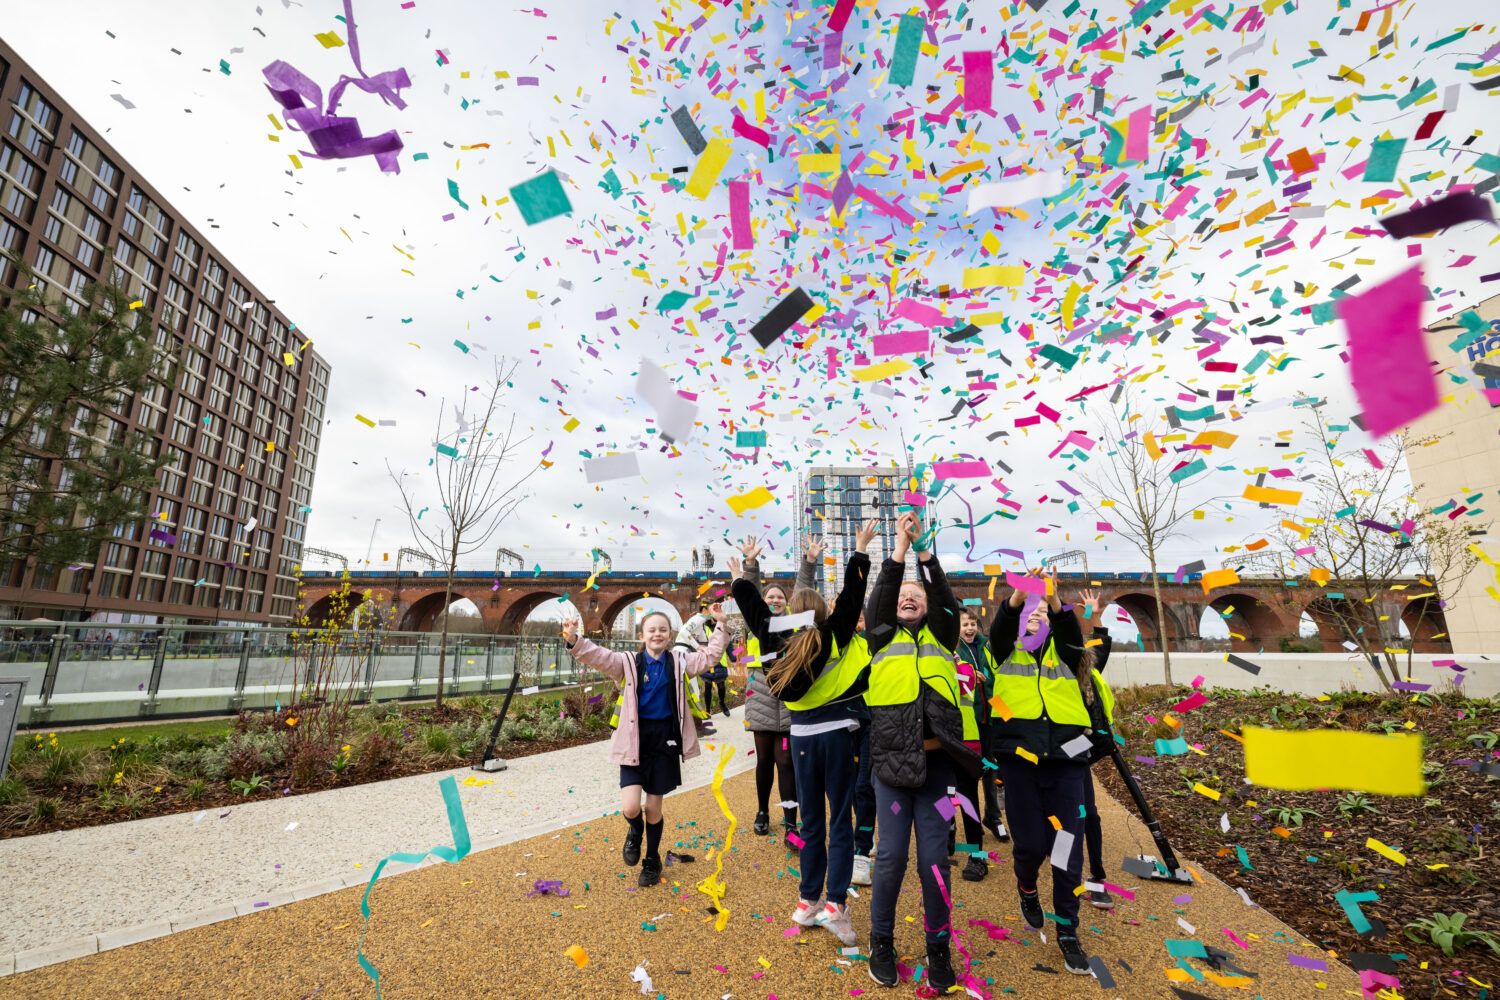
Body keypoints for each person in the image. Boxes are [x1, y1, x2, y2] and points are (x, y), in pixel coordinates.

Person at [732, 521, 875, 948]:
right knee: (841, 821)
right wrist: (860, 550)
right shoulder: (831, 635)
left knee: (811, 822)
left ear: (790, 612)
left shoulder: (773, 637)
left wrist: (745, 572)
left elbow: (752, 606)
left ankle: (807, 899)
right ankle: (835, 905)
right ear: (823, 613)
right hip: (836, 734)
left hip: (801, 737)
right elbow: (853, 597)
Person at [864, 511, 980, 993]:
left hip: (936, 768)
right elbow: (881, 599)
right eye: (904, 596)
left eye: (918, 595)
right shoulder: (880, 634)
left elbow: (948, 602)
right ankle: (881, 942)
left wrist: (925, 550)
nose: (909, 597)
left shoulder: (943, 635)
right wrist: (897, 550)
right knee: (889, 858)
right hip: (891, 768)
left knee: (935, 858)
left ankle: (938, 948)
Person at [562, 600, 729, 888]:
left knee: (653, 808)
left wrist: (722, 625)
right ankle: (634, 831)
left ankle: (651, 860)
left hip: (664, 740)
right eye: (651, 630)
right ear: (642, 636)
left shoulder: (679, 662)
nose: (657, 634)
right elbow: (598, 656)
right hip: (634, 740)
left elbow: (710, 657)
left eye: (663, 630)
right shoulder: (627, 663)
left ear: (669, 635)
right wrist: (575, 640)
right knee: (630, 808)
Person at [987, 568, 1098, 975]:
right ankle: (1026, 886)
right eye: (1028, 615)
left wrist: (1052, 598)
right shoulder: (1005, 650)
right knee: (1031, 845)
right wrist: (1019, 596)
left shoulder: (1065, 653)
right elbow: (1000, 627)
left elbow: (1071, 632)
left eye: (1043, 616)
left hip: (1066, 761)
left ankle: (1068, 930)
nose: (1036, 617)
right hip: (1018, 760)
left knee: (1067, 850)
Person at [739, 537, 814, 839]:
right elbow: (749, 594)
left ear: (787, 603)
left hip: (787, 701)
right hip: (760, 698)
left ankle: (791, 819)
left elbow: (804, 590)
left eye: (779, 598)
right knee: (764, 761)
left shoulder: (795, 624)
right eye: (769, 597)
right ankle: (761, 811)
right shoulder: (755, 622)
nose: (774, 600)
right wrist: (750, 566)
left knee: (786, 760)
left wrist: (808, 562)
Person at [953, 608, 1009, 883]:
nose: (970, 627)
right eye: (965, 623)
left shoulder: (987, 646)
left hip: (981, 727)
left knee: (986, 774)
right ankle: (948, 830)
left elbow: (997, 685)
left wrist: (1004, 717)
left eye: (973, 623)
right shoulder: (951, 650)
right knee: (945, 789)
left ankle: (991, 822)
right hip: (955, 729)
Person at [1076, 589, 1119, 908]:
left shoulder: (1084, 667)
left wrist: (1095, 616)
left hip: (1076, 753)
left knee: (1088, 814)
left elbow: (1100, 646)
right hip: (1048, 753)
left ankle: (1096, 878)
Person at [849, 610, 876, 888]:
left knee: (864, 787)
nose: (857, 624)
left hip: (873, 720)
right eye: (853, 619)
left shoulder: (876, 643)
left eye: (861, 619)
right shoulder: (842, 643)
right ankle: (866, 829)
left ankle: (861, 854)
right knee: (853, 785)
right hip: (847, 722)